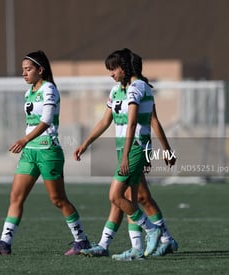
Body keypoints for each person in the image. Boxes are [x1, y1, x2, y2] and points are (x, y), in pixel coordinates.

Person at [0, 50, 90, 256]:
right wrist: (27, 142)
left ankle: (82, 240)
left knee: (58, 200)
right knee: (16, 196)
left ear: (41, 70)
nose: (24, 73)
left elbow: (46, 120)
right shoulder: (29, 92)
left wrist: (24, 139)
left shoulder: (49, 89)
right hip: (30, 153)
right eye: (23, 69)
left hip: (48, 151)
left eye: (28, 69)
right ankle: (5, 242)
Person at [74, 48, 175, 260]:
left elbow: (137, 124)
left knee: (116, 196)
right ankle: (138, 246)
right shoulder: (118, 90)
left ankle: (153, 231)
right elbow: (105, 121)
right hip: (125, 148)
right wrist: (86, 143)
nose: (110, 73)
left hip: (135, 147)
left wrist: (153, 152)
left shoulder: (137, 88)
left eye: (113, 69)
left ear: (125, 67)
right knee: (133, 197)